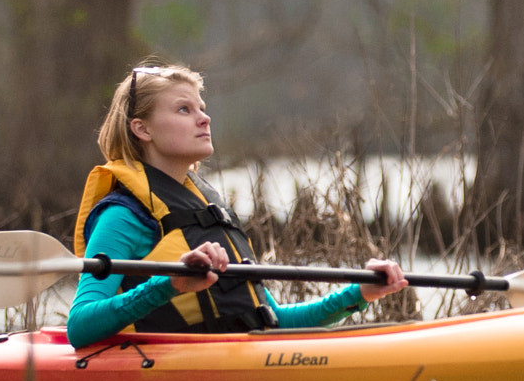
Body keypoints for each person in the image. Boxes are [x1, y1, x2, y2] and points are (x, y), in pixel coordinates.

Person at [66, 63, 407, 347]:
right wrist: (171, 283)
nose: (204, 119)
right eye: (184, 109)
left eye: (202, 108)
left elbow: (273, 321)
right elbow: (80, 326)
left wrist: (358, 294)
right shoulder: (123, 216)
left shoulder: (207, 209)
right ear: (142, 129)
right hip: (167, 373)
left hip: (236, 361)